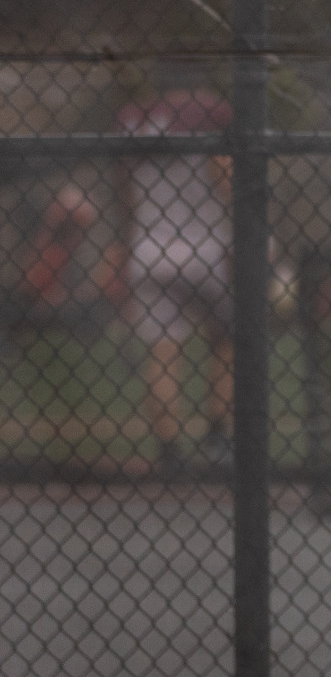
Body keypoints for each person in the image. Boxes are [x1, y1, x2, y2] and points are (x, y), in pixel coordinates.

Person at [109, 86, 234, 471]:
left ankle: (169, 452)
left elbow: (125, 193)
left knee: (163, 354)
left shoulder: (136, 116)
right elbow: (224, 179)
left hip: (150, 247)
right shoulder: (207, 111)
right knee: (228, 342)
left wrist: (123, 244)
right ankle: (217, 437)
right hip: (207, 247)